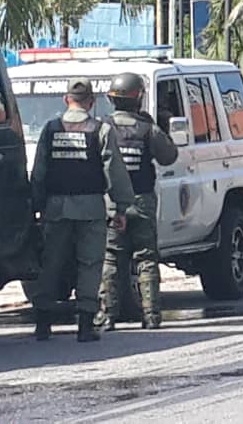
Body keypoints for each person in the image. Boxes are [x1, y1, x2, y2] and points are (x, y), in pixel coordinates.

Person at [30, 78, 135, 342]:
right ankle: (85, 326)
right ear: (91, 102)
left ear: (66, 100)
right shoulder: (100, 130)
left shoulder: (50, 129)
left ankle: (43, 324)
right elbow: (114, 171)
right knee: (90, 264)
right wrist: (121, 207)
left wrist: (36, 206)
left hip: (55, 208)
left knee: (50, 263)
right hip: (90, 209)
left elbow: (39, 172)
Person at [95, 72, 179, 331]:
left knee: (110, 259)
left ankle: (108, 315)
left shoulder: (102, 127)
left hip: (111, 203)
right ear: (139, 98)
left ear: (111, 99)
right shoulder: (147, 129)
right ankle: (151, 316)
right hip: (141, 201)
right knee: (146, 258)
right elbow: (169, 157)